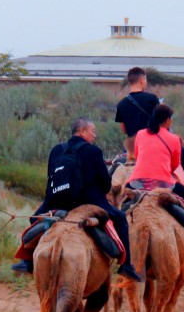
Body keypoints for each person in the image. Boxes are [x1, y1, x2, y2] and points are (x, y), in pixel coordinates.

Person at [11, 119, 142, 281]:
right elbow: (104, 183)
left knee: (34, 218)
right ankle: (126, 265)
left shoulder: (56, 150)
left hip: (57, 200)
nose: (95, 135)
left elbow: (50, 178)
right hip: (88, 200)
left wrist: (52, 198)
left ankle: (27, 261)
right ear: (81, 131)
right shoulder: (93, 151)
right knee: (121, 219)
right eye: (92, 131)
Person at [114, 67, 184, 199]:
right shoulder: (152, 98)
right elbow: (160, 121)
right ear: (141, 80)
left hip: (131, 147)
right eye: (145, 80)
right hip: (153, 140)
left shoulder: (121, 104)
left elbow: (123, 130)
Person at [128, 103, 184, 216]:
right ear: (167, 120)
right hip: (163, 184)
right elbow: (175, 164)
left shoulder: (140, 134)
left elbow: (137, 157)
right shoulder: (174, 139)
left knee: (118, 202)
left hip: (137, 183)